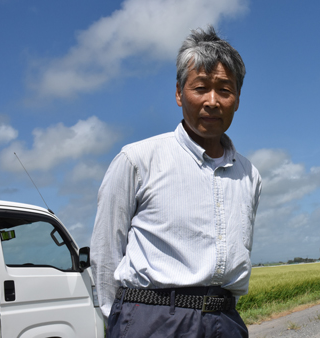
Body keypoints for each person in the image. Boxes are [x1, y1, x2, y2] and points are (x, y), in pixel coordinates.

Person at [90, 26, 261, 338]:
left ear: (237, 99)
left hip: (225, 321)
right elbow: (105, 253)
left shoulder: (249, 174)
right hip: (151, 320)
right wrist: (121, 321)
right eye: (200, 88)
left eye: (224, 90)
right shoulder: (137, 160)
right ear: (180, 93)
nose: (212, 101)